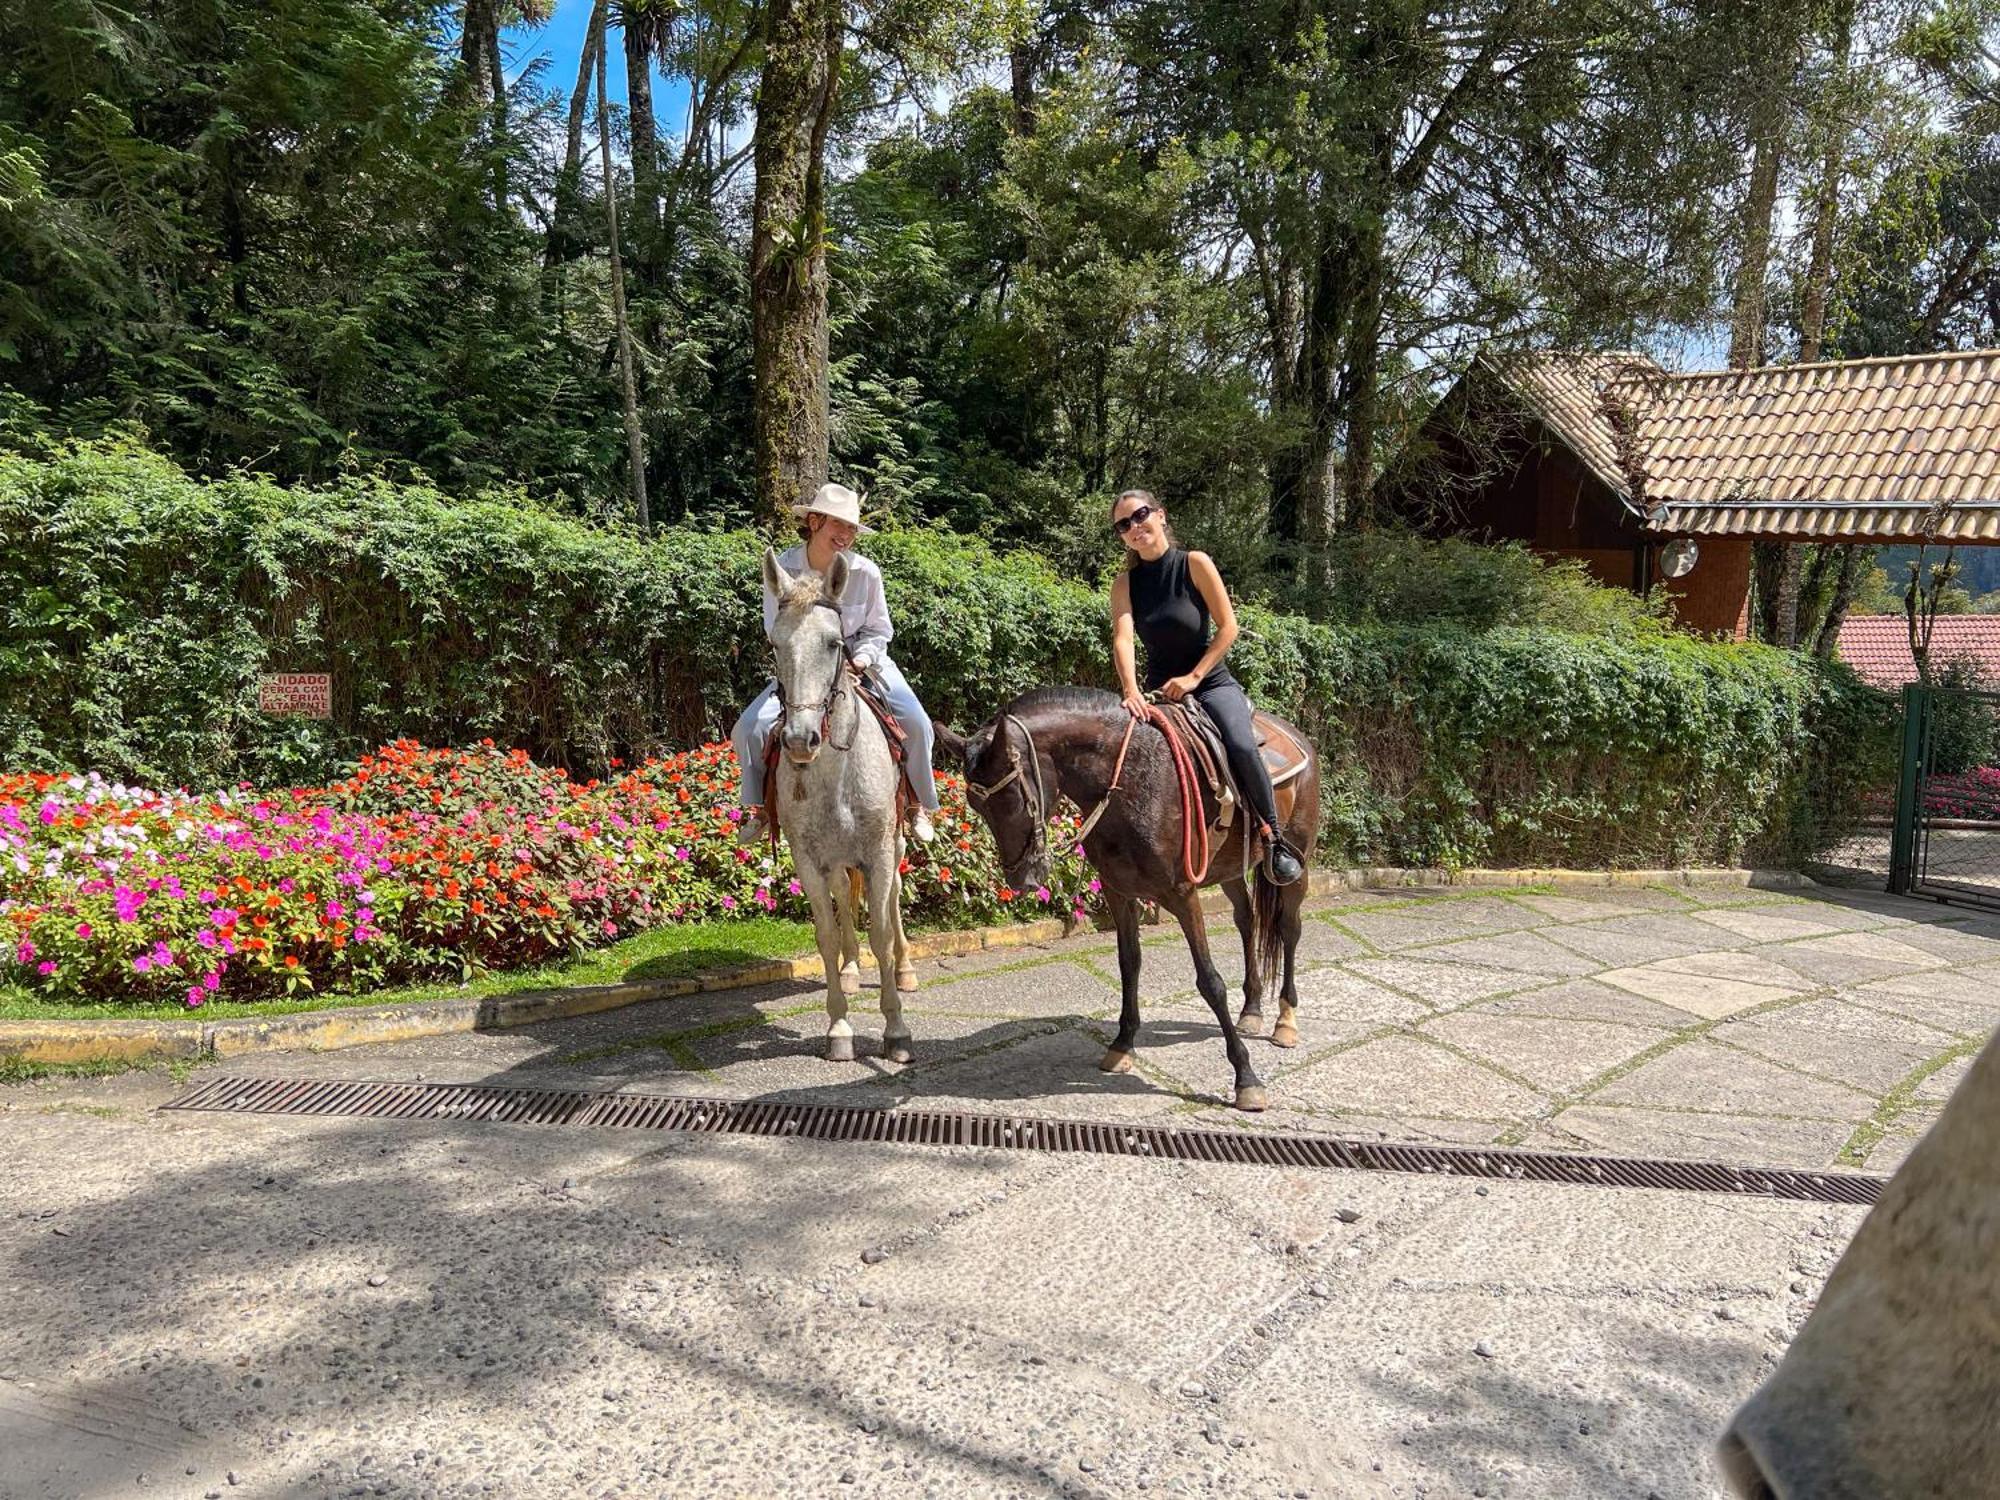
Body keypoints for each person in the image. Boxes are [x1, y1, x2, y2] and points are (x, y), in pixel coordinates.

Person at [1108, 488, 1304, 885]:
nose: (1134, 527)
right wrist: (1130, 690)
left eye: (1140, 515)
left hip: (1211, 684)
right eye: (1123, 524)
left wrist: (1195, 677)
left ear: (1161, 515)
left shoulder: (1194, 564)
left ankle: (1273, 838)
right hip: (1159, 693)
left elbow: (1228, 626)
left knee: (1240, 742)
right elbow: (1123, 638)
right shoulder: (1125, 584)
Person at [733, 482, 938, 845]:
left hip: (865, 662)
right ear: (814, 521)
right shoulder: (783, 568)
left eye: (851, 528)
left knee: (918, 723)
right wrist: (811, 658)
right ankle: (762, 810)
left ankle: (916, 805)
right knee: (749, 727)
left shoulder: (866, 573)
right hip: (806, 664)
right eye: (838, 525)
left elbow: (879, 629)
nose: (845, 535)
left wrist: (858, 661)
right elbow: (775, 627)